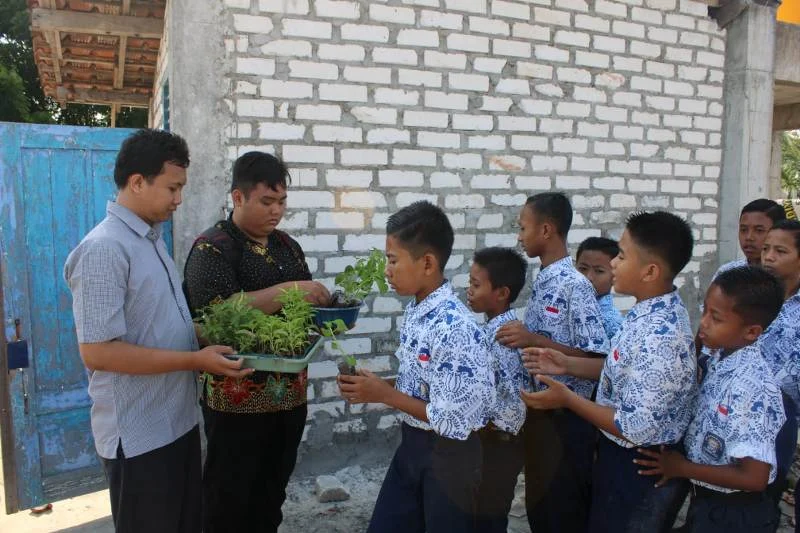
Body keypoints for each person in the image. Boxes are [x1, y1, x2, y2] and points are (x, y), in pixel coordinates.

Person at [63, 129, 252, 533]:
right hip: (138, 437)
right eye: (172, 187)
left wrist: (200, 337)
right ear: (136, 182)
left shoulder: (150, 241)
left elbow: (155, 324)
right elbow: (97, 352)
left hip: (176, 422)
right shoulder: (104, 249)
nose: (178, 199)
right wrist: (194, 360)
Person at [522, 211, 697, 533]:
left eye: (622, 255)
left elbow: (634, 426)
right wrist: (567, 364)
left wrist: (568, 399)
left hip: (639, 465)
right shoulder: (644, 312)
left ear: (650, 271)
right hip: (618, 454)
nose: (614, 263)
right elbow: (624, 370)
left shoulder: (661, 334)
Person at [182, 151, 330, 533]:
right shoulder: (212, 248)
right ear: (237, 198)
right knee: (228, 497)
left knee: (272, 491)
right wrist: (290, 290)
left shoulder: (287, 247)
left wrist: (328, 316)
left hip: (290, 393)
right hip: (236, 400)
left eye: (281, 202)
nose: (276, 211)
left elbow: (306, 311)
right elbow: (215, 318)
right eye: (266, 201)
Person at [338, 201, 495, 533]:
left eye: (393, 260)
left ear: (427, 263)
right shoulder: (418, 311)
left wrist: (384, 394)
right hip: (413, 446)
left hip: (450, 458)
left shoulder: (455, 328)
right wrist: (378, 386)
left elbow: (451, 417)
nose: (386, 270)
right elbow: (426, 381)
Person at [634, 266, 786, 533]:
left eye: (715, 318)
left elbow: (753, 477)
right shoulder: (720, 357)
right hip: (708, 501)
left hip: (736, 513)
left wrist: (682, 468)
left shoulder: (750, 387)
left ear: (751, 332)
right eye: (704, 310)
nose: (702, 322)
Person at [496, 192, 609, 533]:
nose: (519, 236)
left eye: (523, 227)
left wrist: (533, 339)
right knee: (541, 508)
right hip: (540, 414)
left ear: (546, 230)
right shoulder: (544, 278)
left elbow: (597, 358)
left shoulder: (576, 285)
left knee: (563, 511)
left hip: (568, 418)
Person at [466, 247, 529, 533]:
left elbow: (500, 396)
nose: (469, 290)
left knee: (489, 515)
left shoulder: (504, 336)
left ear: (501, 293)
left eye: (476, 285)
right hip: (493, 441)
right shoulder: (494, 328)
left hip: (500, 443)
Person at [758, 219, 800, 529]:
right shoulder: (757, 297)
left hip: (780, 416)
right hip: (737, 407)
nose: (768, 256)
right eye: (766, 249)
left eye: (780, 251)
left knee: (762, 493)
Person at [713, 198, 785, 279]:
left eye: (759, 230)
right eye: (743, 230)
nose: (749, 237)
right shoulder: (726, 273)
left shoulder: (789, 278)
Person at [576, 237, 624, 339]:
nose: (588, 277)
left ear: (614, 276)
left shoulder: (612, 323)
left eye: (599, 271)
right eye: (583, 269)